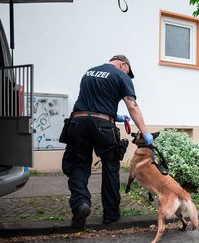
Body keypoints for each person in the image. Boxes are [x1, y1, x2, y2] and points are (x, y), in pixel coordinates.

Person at [61, 55, 153, 229]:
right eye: (128, 71)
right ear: (123, 64)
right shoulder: (120, 75)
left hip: (77, 122)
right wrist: (145, 132)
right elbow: (132, 105)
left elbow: (87, 101)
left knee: (78, 165)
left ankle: (81, 203)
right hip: (103, 126)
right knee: (110, 168)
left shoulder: (88, 72)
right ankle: (110, 215)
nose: (128, 74)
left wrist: (114, 114)